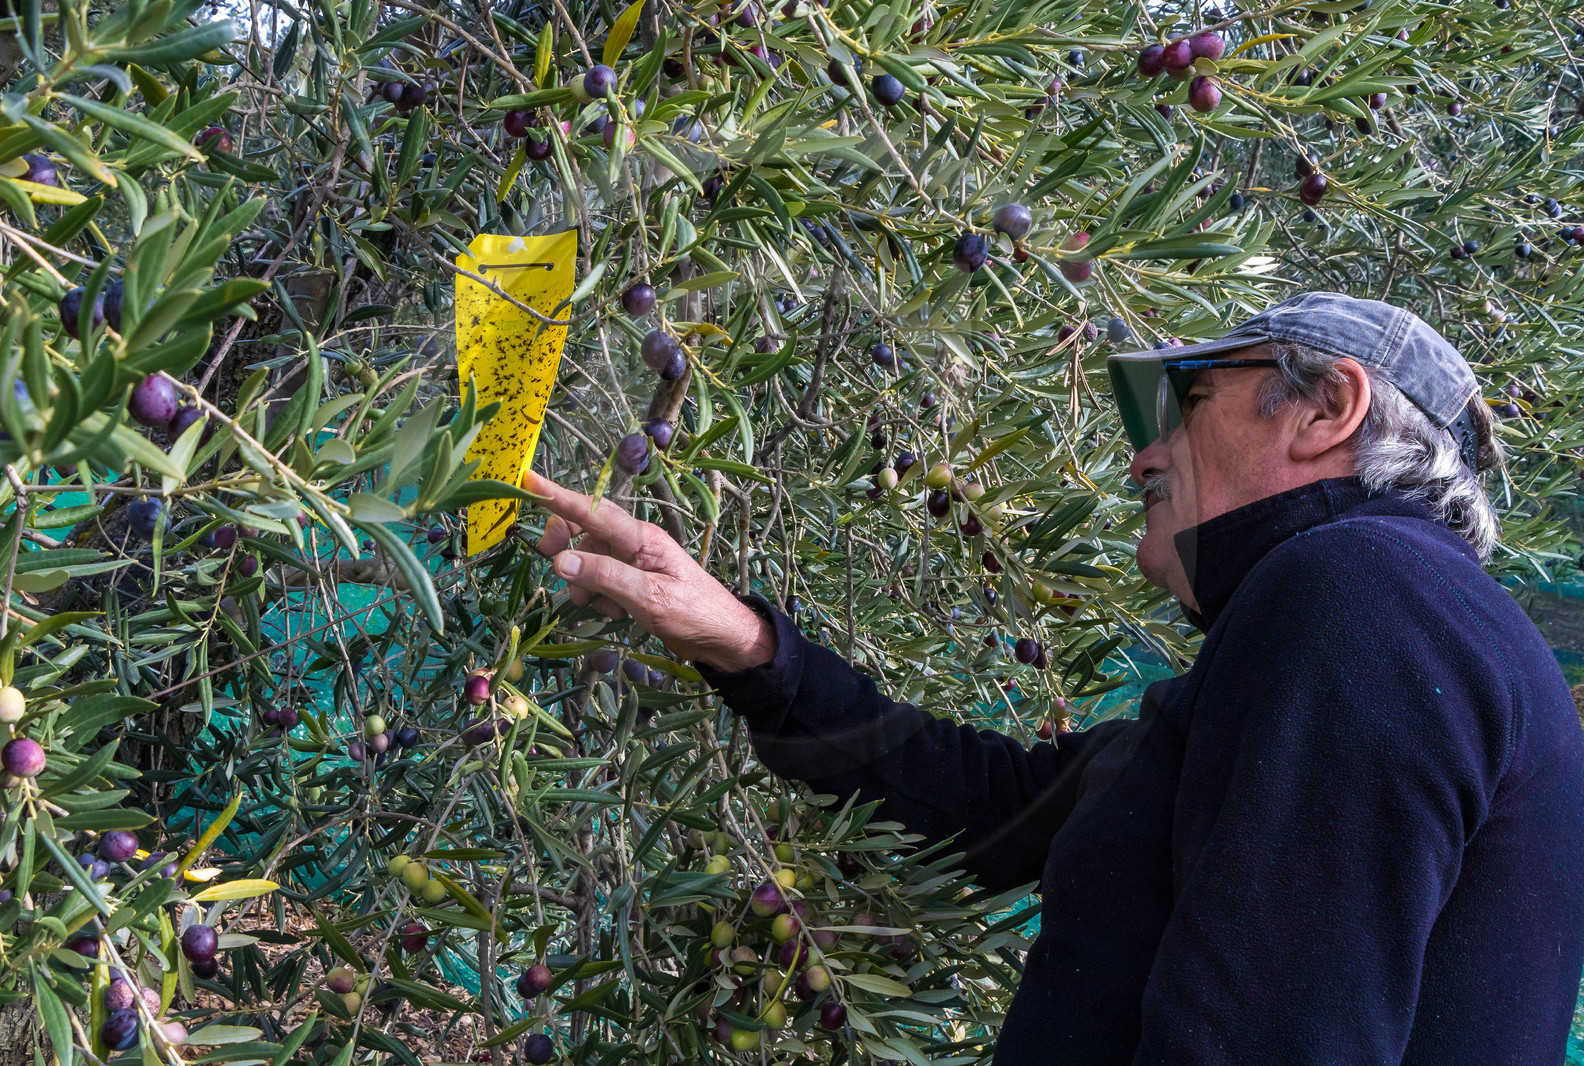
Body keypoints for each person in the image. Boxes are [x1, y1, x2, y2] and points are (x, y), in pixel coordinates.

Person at [523, 292, 1584, 1064]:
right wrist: (748, 643)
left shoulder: (1360, 596)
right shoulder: (1367, 637)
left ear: (1324, 410)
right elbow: (986, 807)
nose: (1142, 456)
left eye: (1187, 401)